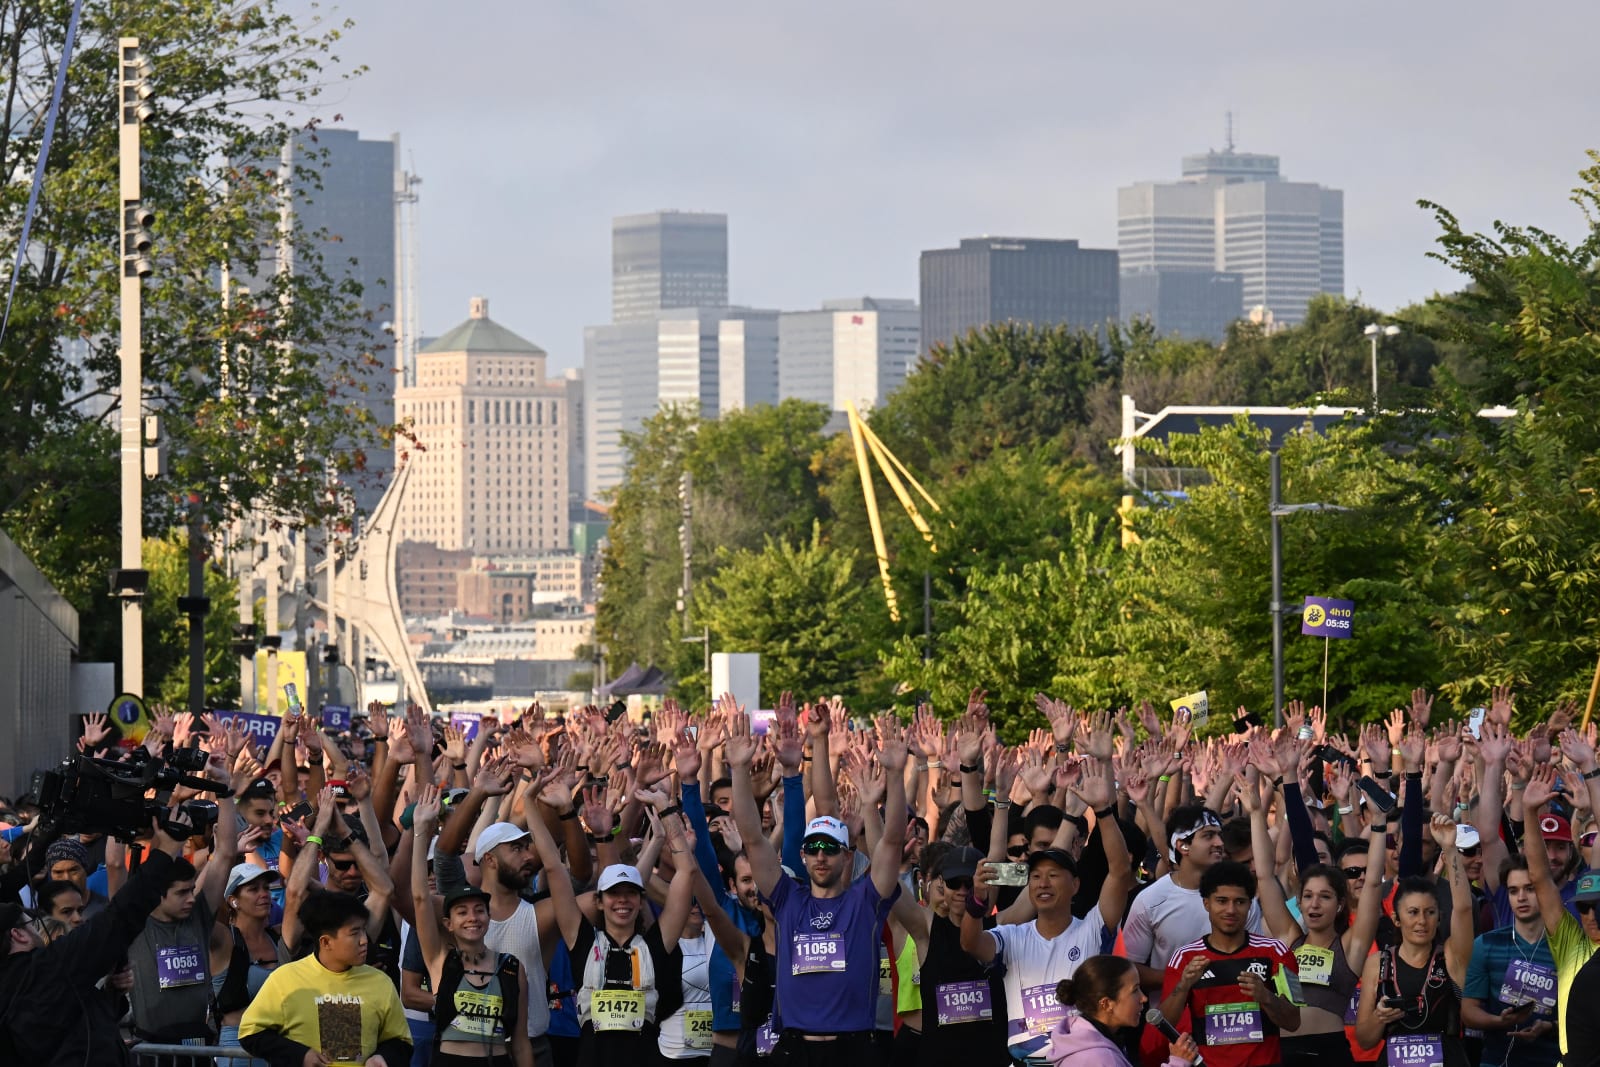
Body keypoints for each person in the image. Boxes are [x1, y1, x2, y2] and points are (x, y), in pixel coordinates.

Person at [726, 702, 907, 1067]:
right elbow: (752, 837)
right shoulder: (787, 899)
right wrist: (739, 769)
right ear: (803, 857)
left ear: (846, 856)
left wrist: (896, 775)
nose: (821, 856)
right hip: (795, 1049)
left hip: (854, 1049)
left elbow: (891, 842)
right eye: (812, 848)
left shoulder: (865, 900)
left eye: (830, 848)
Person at [960, 759, 1134, 1060]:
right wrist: (976, 901)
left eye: (1054, 876)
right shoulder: (1011, 937)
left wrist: (1104, 811)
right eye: (1036, 876)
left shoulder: (1093, 928)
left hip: (1083, 1059)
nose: (1043, 884)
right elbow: (970, 943)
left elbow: (1119, 871)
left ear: (1075, 885)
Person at [0, 815, 196, 1066]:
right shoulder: (47, 968)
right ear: (18, 935)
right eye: (30, 923)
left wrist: (111, 995)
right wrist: (165, 851)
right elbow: (119, 918)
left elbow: (77, 1020)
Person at [1244, 766, 1388, 1067]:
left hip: (1330, 1053)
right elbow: (1266, 878)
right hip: (1284, 1054)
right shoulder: (1289, 939)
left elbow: (1373, 882)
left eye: (1324, 897)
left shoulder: (1351, 945)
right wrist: (1256, 813)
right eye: (1308, 896)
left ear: (1339, 905)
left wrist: (1378, 822)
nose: (1314, 905)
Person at [410, 785, 534, 1067]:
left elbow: (521, 1042)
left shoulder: (512, 968)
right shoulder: (441, 961)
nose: (472, 918)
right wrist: (421, 831)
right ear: (448, 924)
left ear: (488, 919)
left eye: (480, 910)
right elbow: (419, 897)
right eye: (462, 912)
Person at [239, 890, 413, 1067]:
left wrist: (383, 1058)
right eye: (354, 933)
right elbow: (250, 1033)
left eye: (363, 930)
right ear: (326, 942)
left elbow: (401, 1041)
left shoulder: (380, 982)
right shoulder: (285, 979)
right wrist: (300, 1056)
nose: (364, 940)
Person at [1354, 817, 1475, 1067]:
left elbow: (1463, 908)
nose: (1422, 920)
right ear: (1396, 920)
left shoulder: (1451, 955)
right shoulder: (1378, 963)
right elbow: (1365, 1040)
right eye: (1413, 912)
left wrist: (1450, 848)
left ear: (1439, 917)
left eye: (1430, 912)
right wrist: (1379, 1017)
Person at [1160, 859, 1301, 1067]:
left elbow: (1294, 1022)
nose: (1231, 910)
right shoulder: (1184, 958)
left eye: (1240, 902)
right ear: (1206, 903)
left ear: (1250, 904)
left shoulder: (1277, 952)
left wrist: (1265, 996)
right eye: (1222, 901)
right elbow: (1164, 1023)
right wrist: (1183, 987)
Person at [1126, 805, 1265, 991]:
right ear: (1183, 845)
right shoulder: (1151, 900)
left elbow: (1257, 958)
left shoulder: (1241, 898)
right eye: (1208, 836)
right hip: (1173, 1016)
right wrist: (1183, 979)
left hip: (1233, 1012)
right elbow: (1129, 967)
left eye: (1219, 835)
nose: (1219, 843)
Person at [1460, 857, 1558, 1067]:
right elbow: (1468, 1011)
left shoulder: (1567, 947)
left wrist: (1550, 1027)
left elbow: (1582, 1017)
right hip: (1495, 1061)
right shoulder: (1485, 944)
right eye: (1513, 891)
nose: (1521, 897)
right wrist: (1499, 1021)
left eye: (1529, 889)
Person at [1046, 954, 1198, 1067]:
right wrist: (1178, 1062)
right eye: (1135, 990)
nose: (1143, 998)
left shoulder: (1082, 1037)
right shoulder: (1098, 1058)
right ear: (1106, 1004)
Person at [212, 862, 291, 1067]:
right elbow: (201, 913)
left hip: (279, 1045)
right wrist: (224, 855)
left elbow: (304, 900)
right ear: (233, 901)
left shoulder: (279, 936)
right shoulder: (224, 939)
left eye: (266, 887)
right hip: (238, 1048)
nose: (264, 894)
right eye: (253, 889)